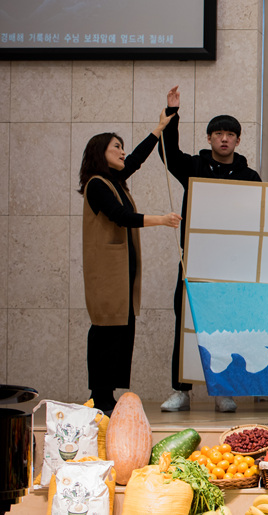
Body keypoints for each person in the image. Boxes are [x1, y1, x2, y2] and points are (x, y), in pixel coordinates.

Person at [158, 86, 262, 413]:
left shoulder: (250, 177)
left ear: (238, 141)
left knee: (226, 325)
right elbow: (167, 152)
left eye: (230, 135)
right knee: (185, 322)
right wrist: (172, 113)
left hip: (231, 265)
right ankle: (181, 391)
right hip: (193, 260)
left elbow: (258, 219)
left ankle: (222, 390)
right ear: (209, 138)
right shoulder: (194, 167)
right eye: (218, 134)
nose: (224, 139)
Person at [79, 119, 181, 415]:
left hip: (123, 273)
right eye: (117, 147)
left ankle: (107, 395)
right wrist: (161, 219)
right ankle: (100, 397)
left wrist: (159, 128)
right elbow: (121, 216)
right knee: (105, 333)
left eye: (122, 147)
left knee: (121, 334)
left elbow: (136, 160)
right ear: (100, 152)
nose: (123, 152)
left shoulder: (113, 181)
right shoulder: (97, 185)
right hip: (106, 275)